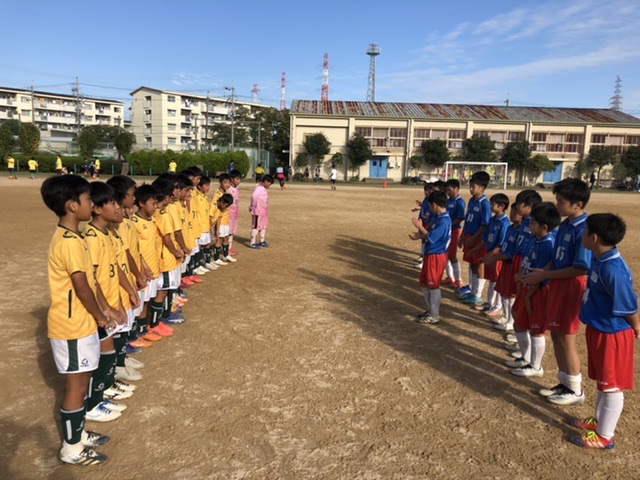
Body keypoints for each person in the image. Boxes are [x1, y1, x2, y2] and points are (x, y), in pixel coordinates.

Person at [41, 175, 117, 465]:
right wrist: (101, 316)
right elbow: (82, 286)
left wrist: (103, 310)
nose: (91, 204)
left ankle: (79, 433)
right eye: (87, 200)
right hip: (71, 326)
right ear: (72, 206)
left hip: (81, 324)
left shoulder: (76, 238)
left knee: (82, 382)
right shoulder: (69, 241)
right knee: (75, 386)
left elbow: (92, 282)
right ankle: (71, 448)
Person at [569, 213, 639, 449]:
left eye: (585, 231)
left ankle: (605, 436)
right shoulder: (599, 258)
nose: (582, 235)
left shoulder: (613, 270)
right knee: (602, 381)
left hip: (613, 334)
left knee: (612, 384)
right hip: (599, 329)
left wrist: (637, 327)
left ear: (594, 237)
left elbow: (629, 305)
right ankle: (599, 422)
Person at [522, 178, 591, 406]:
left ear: (578, 204)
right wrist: (543, 272)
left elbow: (580, 267)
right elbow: (556, 259)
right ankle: (564, 382)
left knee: (567, 338)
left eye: (561, 202)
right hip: (557, 282)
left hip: (571, 286)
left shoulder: (584, 228)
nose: (558, 206)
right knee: (556, 334)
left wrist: (545, 275)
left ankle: (575, 389)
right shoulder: (565, 225)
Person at [509, 202, 560, 379]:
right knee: (519, 322)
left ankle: (535, 366)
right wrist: (520, 277)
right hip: (527, 288)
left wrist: (529, 297)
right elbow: (528, 262)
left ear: (544, 227)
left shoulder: (548, 244)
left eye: (532, 223)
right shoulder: (535, 239)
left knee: (536, 330)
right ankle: (525, 358)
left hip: (537, 291)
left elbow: (540, 276)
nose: (529, 226)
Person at [410, 190, 451, 325]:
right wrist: (420, 236)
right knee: (424, 283)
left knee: (433, 285)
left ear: (434, 205)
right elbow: (431, 235)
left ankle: (435, 315)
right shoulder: (439, 218)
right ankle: (430, 310)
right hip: (431, 254)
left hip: (436, 256)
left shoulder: (444, 221)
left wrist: (420, 227)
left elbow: (432, 237)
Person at [472, 193, 510, 315]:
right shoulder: (492, 220)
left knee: (496, 281)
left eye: (492, 204)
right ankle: (489, 303)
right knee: (491, 279)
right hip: (490, 253)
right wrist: (477, 249)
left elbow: (502, 243)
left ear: (501, 206)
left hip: (496, 256)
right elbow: (485, 237)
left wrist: (492, 256)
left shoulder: (505, 223)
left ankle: (497, 306)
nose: (490, 206)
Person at [458, 171, 492, 305]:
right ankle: (472, 291)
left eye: (474, 187)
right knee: (471, 263)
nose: (471, 189)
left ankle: (478, 295)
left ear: (482, 188)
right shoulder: (472, 200)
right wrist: (462, 235)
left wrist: (474, 238)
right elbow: (467, 219)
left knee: (479, 264)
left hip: (478, 238)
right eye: (470, 186)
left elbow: (485, 224)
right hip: (469, 235)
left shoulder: (485, 204)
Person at [442, 179, 466, 288]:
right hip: (447, 230)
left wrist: (449, 224)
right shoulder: (448, 201)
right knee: (445, 254)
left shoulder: (460, 202)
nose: (447, 192)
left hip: (454, 231)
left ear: (456, 189)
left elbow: (460, 217)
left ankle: (458, 280)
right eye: (446, 190)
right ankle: (449, 277)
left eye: (449, 190)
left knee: (452, 255)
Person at [249, 175, 273, 248]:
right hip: (258, 211)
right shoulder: (259, 188)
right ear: (265, 181)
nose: (270, 185)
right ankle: (252, 242)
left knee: (263, 226)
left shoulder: (263, 189)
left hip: (263, 211)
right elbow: (253, 196)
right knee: (256, 226)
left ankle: (262, 241)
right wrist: (252, 206)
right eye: (269, 183)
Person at [228, 169, 242, 256]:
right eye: (237, 179)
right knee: (228, 232)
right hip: (229, 214)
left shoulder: (237, 188)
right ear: (232, 179)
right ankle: (226, 249)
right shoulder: (229, 189)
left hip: (235, 213)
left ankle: (229, 247)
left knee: (232, 231)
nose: (238, 181)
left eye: (239, 179)